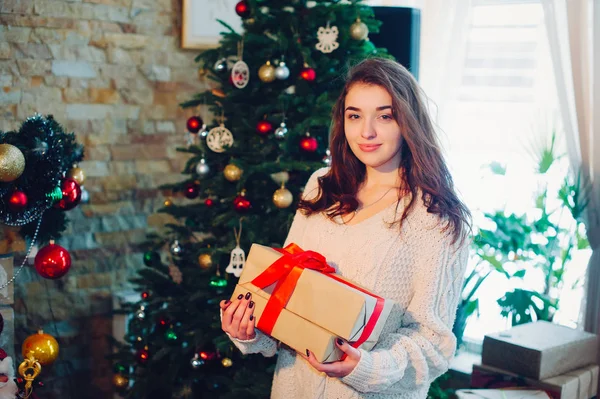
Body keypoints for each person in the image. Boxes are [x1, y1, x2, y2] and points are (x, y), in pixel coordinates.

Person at [220, 57, 471, 399]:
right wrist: (249, 330)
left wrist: (365, 367)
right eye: (355, 115)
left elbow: (435, 344)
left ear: (408, 122)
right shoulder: (320, 187)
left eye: (385, 116)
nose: (366, 132)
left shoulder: (435, 217)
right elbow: (285, 297)